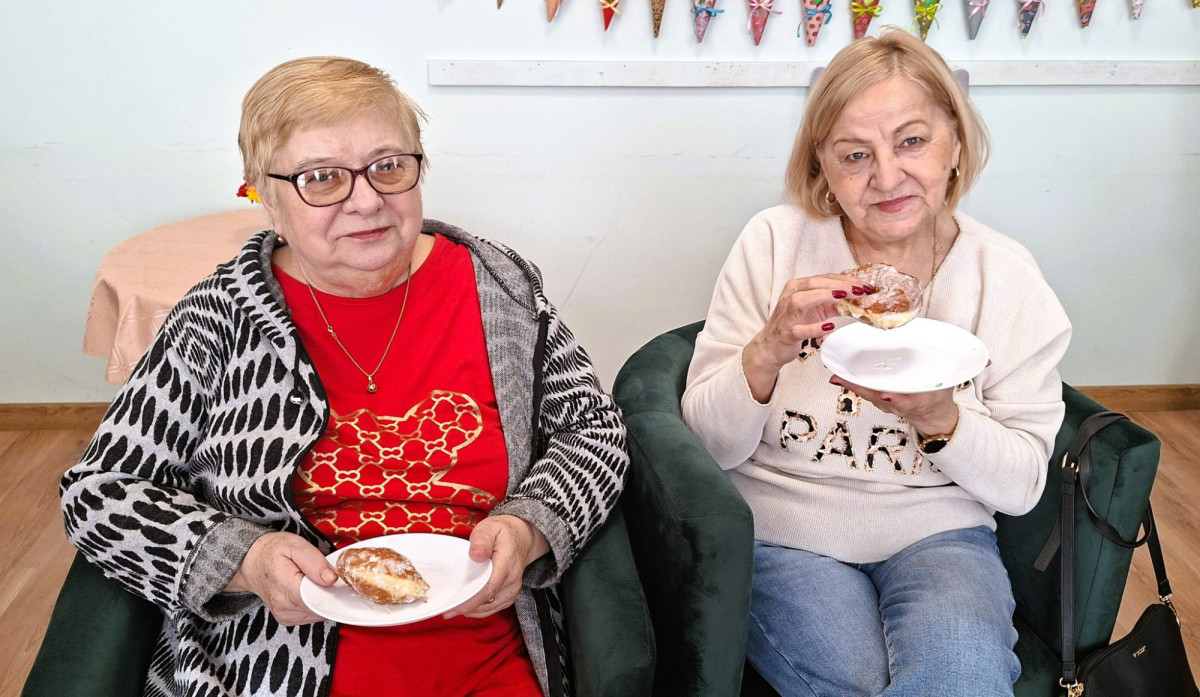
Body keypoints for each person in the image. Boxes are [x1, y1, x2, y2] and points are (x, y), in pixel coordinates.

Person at [60, 56, 628, 697]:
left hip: (487, 654)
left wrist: (531, 525)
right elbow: (97, 493)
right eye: (321, 178)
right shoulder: (218, 319)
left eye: (388, 166)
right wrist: (245, 559)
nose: (366, 200)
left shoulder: (501, 290)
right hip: (274, 661)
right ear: (265, 196)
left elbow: (595, 431)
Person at [681, 28, 1071, 697]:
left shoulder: (1005, 276)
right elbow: (707, 446)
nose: (886, 176)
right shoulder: (774, 242)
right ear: (821, 167)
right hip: (786, 530)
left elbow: (1023, 485)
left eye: (913, 141)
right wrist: (770, 348)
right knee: (861, 682)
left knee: (962, 679)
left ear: (955, 140)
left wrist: (941, 417)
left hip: (940, 534)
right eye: (854, 154)